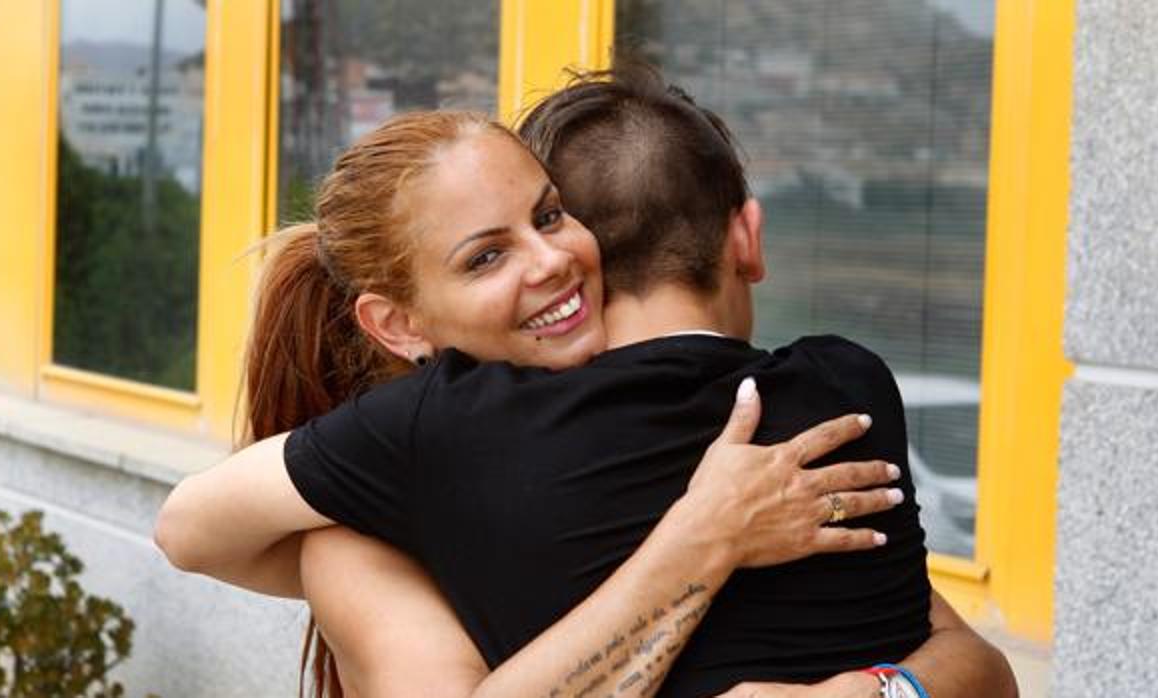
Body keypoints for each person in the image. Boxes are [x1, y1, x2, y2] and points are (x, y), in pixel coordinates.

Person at [157, 66, 1016, 697]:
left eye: (551, 216)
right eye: (487, 255)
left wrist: (869, 695)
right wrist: (698, 542)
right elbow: (186, 527)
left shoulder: (776, 454)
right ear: (402, 326)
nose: (554, 261)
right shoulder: (840, 380)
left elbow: (974, 663)